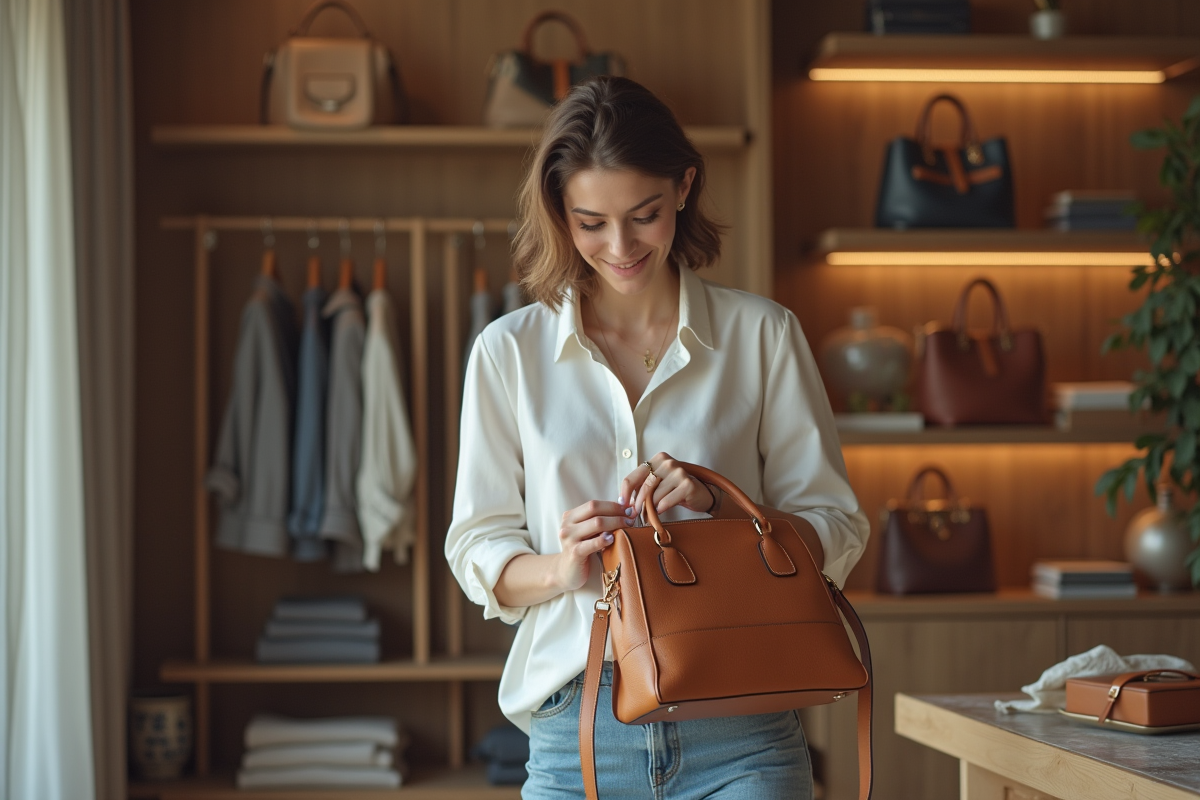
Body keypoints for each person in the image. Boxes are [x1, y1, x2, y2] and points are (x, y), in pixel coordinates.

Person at [446, 76, 869, 799]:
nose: (620, 247)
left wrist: (722, 507)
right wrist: (560, 568)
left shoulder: (763, 336)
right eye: (590, 223)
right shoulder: (506, 353)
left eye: (643, 215)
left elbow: (839, 528)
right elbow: (476, 545)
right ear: (559, 213)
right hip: (577, 731)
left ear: (684, 188)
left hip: (743, 734)